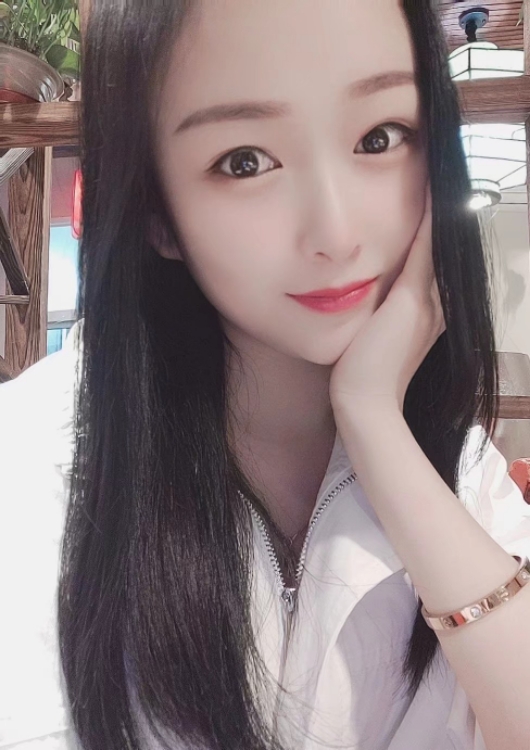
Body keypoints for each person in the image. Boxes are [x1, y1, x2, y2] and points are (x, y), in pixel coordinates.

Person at [1, 0, 530, 748]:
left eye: (380, 137)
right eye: (244, 161)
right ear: (156, 210)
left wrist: (376, 424)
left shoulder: (460, 468)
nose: (336, 232)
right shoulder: (29, 469)